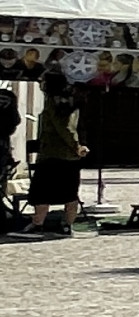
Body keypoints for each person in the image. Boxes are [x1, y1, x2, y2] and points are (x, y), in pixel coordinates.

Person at [27, 73, 84, 235]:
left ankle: (38, 225)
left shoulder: (56, 101)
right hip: (67, 156)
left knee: (42, 192)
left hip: (54, 154)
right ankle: (67, 226)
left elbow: (64, 128)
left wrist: (76, 146)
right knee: (69, 192)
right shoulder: (70, 100)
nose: (41, 83)